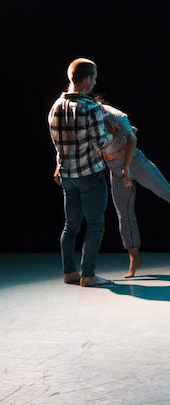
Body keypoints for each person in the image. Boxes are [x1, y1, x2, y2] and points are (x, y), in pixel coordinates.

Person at [97, 100, 170, 278]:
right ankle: (134, 258)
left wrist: (126, 168)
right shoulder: (87, 122)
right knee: (124, 213)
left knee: (166, 191)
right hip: (114, 168)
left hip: (134, 161)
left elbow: (132, 137)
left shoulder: (113, 114)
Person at [48, 58, 113, 287]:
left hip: (67, 176)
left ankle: (69, 273)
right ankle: (89, 275)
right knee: (95, 225)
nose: (95, 83)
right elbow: (101, 143)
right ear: (87, 79)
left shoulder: (55, 106)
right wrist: (112, 135)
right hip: (90, 176)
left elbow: (58, 143)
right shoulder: (91, 108)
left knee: (70, 225)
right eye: (94, 78)